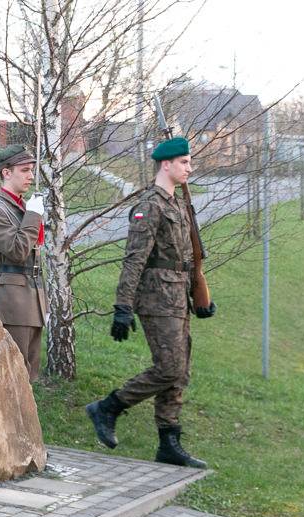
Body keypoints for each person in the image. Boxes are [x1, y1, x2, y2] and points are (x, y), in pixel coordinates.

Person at [86, 136, 216, 469]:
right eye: (184, 162)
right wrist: (122, 306)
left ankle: (169, 443)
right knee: (169, 367)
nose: (190, 167)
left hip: (177, 298)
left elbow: (189, 259)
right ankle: (108, 407)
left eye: (189, 162)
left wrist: (198, 299)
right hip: (156, 298)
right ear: (166, 164)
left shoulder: (179, 204)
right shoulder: (151, 205)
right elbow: (134, 260)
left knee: (180, 372)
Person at [0, 145, 47, 382]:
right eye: (25, 170)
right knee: (13, 375)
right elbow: (18, 251)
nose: (30, 176)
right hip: (13, 302)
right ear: (6, 173)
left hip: (32, 299)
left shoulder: (19, 207)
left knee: (29, 374)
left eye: (31, 170)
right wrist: (33, 216)